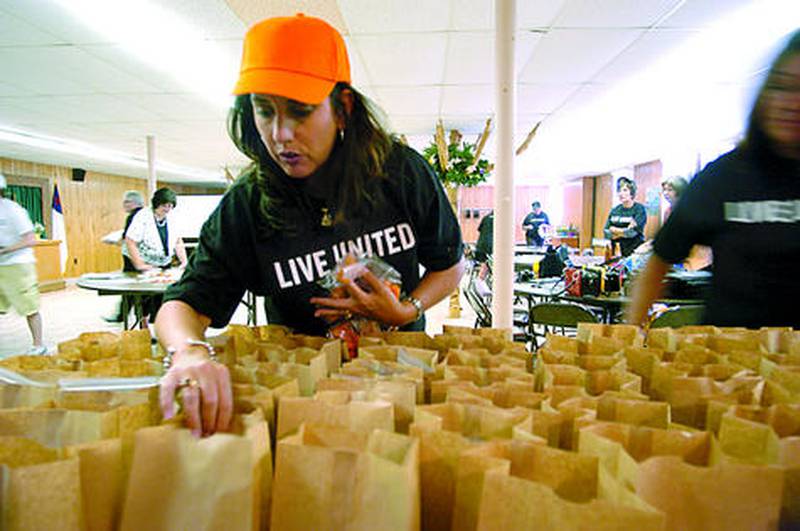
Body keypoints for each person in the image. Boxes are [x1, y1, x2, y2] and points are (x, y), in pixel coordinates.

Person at [155, 14, 465, 437]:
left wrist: (405, 309)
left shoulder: (400, 173)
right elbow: (182, 304)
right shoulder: (249, 202)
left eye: (300, 112)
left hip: (398, 379)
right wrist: (189, 352)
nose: (281, 134)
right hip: (303, 397)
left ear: (343, 109)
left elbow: (450, 267)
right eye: (265, 111)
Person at [627, 29, 800, 328]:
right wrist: (631, 336)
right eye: (782, 87)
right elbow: (660, 260)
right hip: (723, 362)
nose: (791, 103)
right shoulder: (723, 177)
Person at [124, 187, 187, 324]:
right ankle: (144, 326)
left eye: (170, 206)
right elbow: (130, 241)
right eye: (164, 205)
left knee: (163, 296)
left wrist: (184, 261)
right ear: (157, 203)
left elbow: (177, 241)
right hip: (142, 259)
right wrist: (140, 265)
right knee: (145, 298)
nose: (167, 209)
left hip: (163, 261)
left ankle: (159, 325)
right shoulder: (143, 216)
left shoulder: (172, 217)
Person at [0, 173, 46, 354]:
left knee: (29, 307)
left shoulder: (13, 210)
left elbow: (30, 239)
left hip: (18, 264)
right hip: (2, 264)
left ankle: (38, 345)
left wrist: (4, 250)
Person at [101, 190, 145, 322]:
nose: (124, 204)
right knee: (132, 288)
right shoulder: (143, 215)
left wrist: (114, 241)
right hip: (138, 256)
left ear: (135, 203)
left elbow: (128, 237)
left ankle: (129, 315)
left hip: (134, 258)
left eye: (127, 202)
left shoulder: (134, 217)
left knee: (131, 286)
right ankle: (124, 314)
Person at [603, 177, 647, 257]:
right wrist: (624, 230)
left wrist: (615, 230)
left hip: (634, 252)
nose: (621, 193)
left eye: (625, 190)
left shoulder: (639, 210)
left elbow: (632, 233)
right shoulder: (615, 210)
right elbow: (606, 232)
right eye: (619, 191)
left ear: (632, 193)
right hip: (617, 251)